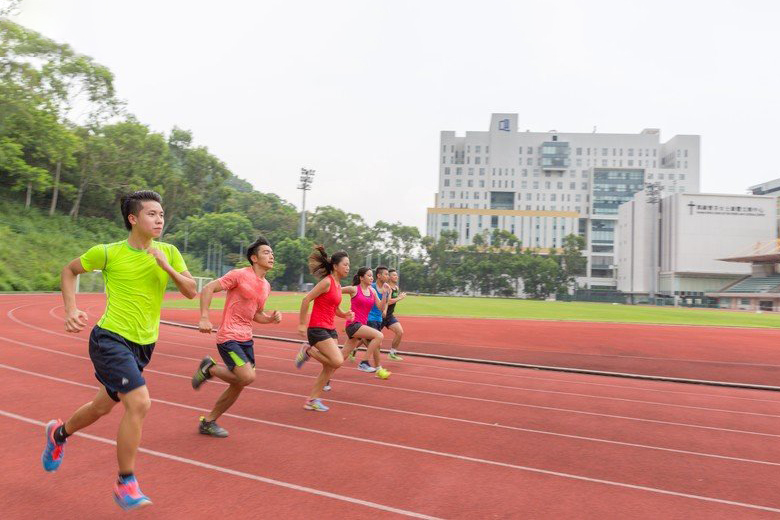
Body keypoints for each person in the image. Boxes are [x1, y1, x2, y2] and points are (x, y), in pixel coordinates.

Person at [42, 190, 197, 510]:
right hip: (110, 338)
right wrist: (71, 309)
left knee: (102, 406)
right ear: (133, 219)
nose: (159, 220)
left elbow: (191, 291)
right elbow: (69, 270)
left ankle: (59, 434)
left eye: (162, 215)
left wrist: (167, 266)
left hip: (144, 345)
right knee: (139, 402)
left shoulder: (168, 251)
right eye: (152, 214)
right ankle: (126, 482)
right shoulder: (108, 252)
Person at [191, 236, 282, 437]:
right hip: (228, 336)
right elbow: (208, 288)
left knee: (240, 383)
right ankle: (210, 368)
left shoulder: (266, 286)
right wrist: (204, 317)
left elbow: (256, 314)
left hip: (246, 338)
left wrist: (271, 319)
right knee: (247, 377)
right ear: (254, 258)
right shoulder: (239, 275)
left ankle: (209, 421)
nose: (271, 256)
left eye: (272, 253)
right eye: (266, 252)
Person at [295, 246, 354, 411]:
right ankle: (309, 351)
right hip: (317, 329)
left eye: (349, 265)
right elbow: (306, 299)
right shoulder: (327, 281)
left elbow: (334, 308)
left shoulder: (337, 284)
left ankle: (312, 400)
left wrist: (345, 314)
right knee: (337, 361)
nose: (348, 268)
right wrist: (301, 323)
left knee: (330, 367)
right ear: (335, 266)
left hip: (330, 329)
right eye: (345, 264)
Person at [340, 267, 391, 379]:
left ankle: (325, 379)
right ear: (361, 278)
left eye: (372, 275)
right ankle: (364, 362)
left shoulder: (372, 291)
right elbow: (336, 290)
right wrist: (340, 311)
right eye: (368, 275)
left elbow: (381, 307)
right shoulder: (354, 289)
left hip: (361, 326)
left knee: (340, 358)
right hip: (353, 324)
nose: (371, 277)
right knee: (379, 336)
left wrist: (385, 294)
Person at [383, 268, 407, 361]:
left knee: (400, 332)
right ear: (389, 277)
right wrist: (399, 298)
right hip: (381, 315)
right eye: (394, 275)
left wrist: (398, 297)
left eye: (397, 275)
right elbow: (387, 302)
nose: (396, 276)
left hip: (389, 316)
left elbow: (393, 299)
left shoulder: (396, 288)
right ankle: (354, 348)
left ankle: (392, 353)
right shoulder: (387, 288)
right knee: (367, 337)